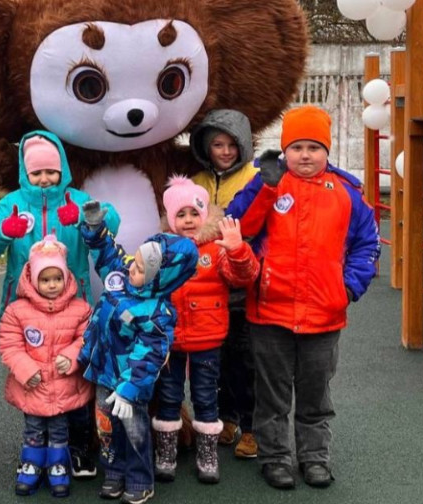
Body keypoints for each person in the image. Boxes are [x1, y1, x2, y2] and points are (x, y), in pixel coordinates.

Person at [229, 106, 380, 490]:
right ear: (284, 151)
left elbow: (367, 245)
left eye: (314, 147)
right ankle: (275, 457)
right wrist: (264, 187)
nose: (305, 155)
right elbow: (238, 226)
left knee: (316, 395)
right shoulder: (268, 182)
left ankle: (314, 458)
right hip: (270, 313)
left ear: (327, 151)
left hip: (324, 314)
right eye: (296, 147)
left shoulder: (347, 192)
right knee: (272, 394)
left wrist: (347, 289)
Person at [0, 130, 120, 477]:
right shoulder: (12, 203)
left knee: (77, 375)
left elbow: (111, 220)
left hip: (74, 307)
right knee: (35, 375)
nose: (44, 179)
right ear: (26, 173)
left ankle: (79, 446)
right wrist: (4, 230)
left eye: (51, 172)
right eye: (37, 172)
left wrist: (89, 219)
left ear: (62, 171)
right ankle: (37, 445)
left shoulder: (76, 199)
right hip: (25, 308)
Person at [77, 201, 198, 504]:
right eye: (135, 261)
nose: (133, 268)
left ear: (161, 278)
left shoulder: (158, 313)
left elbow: (149, 357)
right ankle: (114, 472)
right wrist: (94, 229)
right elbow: (108, 252)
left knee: (134, 431)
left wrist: (129, 389)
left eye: (142, 269)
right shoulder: (121, 276)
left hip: (130, 385)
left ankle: (140, 478)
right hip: (105, 372)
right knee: (106, 428)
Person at [152, 177, 259, 484]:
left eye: (194, 213)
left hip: (207, 337)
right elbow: (144, 281)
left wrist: (238, 250)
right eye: (181, 215)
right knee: (169, 395)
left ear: (205, 215)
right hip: (170, 339)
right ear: (171, 218)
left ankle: (207, 454)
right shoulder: (161, 247)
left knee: (205, 396)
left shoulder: (217, 248)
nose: (188, 220)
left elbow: (244, 277)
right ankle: (166, 451)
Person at [0, 235, 93, 498]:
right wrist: (26, 370)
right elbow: (10, 345)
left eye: (57, 278)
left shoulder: (80, 309)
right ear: (33, 279)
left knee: (61, 427)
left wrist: (73, 356)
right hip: (33, 385)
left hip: (63, 384)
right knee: (34, 427)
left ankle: (58, 464)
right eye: (45, 279)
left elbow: (86, 338)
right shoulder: (17, 311)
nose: (52, 285)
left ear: (66, 277)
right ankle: (31, 463)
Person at [189, 109, 260, 458]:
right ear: (206, 147)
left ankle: (252, 425)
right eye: (218, 144)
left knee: (246, 359)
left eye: (233, 144)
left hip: (243, 278)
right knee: (214, 358)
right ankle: (226, 416)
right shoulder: (197, 180)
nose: (226, 151)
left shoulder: (254, 176)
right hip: (208, 283)